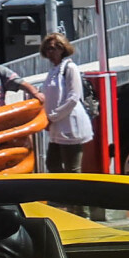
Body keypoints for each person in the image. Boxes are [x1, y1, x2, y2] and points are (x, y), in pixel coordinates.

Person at [41, 34, 93, 172]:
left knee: (72, 168)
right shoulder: (53, 71)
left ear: (62, 49)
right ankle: (61, 190)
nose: (50, 53)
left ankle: (75, 192)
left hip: (70, 126)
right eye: (47, 49)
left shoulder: (70, 68)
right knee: (52, 163)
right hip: (56, 127)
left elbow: (73, 97)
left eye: (53, 49)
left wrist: (52, 117)